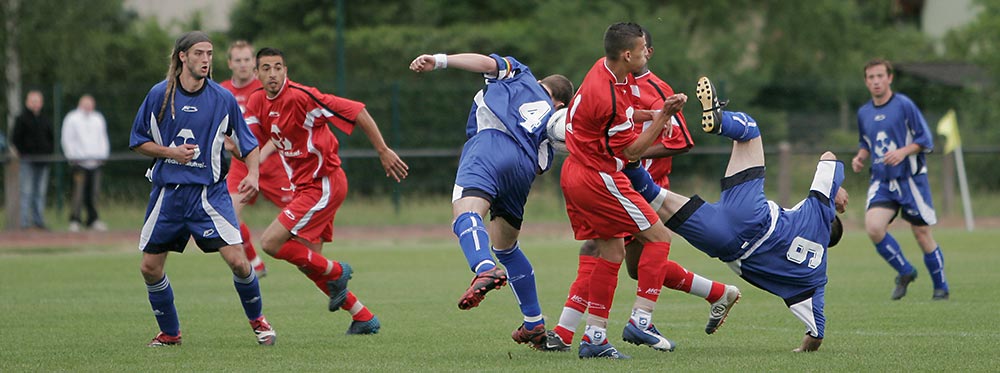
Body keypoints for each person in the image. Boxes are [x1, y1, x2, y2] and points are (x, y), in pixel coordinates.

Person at [623, 76, 848, 352]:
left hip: (751, 215)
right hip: (725, 244)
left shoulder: (819, 211)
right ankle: (623, 159)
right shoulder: (816, 279)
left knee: (750, 130)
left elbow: (828, 157)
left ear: (830, 221)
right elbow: (816, 334)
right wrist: (803, 350)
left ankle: (720, 121)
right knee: (651, 193)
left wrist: (836, 191)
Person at [548, 28, 739, 353]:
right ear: (627, 54)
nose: (646, 52)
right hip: (602, 177)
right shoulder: (607, 93)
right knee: (658, 239)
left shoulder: (605, 72)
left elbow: (621, 118)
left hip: (578, 173)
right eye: (642, 48)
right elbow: (632, 152)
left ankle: (592, 337)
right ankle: (641, 320)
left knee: (611, 253)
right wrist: (663, 114)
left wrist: (651, 114)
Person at [408, 52, 575, 349]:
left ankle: (484, 267)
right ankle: (534, 324)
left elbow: (487, 64)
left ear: (541, 83)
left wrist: (440, 60)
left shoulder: (520, 74)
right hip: (522, 168)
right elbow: (546, 161)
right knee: (507, 247)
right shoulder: (553, 124)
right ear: (561, 104)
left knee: (466, 211)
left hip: (490, 143)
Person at [128, 31, 275, 347]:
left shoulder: (221, 98)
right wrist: (171, 152)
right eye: (199, 53)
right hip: (168, 195)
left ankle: (260, 323)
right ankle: (170, 334)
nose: (206, 59)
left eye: (209, 53)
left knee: (239, 261)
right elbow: (138, 141)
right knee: (149, 268)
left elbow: (248, 144)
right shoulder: (159, 95)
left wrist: (253, 174)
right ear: (182, 57)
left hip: (209, 195)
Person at [247, 47, 408, 335]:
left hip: (324, 183)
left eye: (278, 67)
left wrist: (383, 150)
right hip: (305, 187)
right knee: (310, 263)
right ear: (257, 74)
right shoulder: (257, 101)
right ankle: (363, 317)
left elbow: (357, 111)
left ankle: (337, 271)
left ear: (286, 70)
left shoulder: (301, 96)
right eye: (266, 68)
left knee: (271, 243)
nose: (273, 73)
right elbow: (256, 143)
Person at [851, 59, 949, 301]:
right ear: (866, 81)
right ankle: (905, 271)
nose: (875, 81)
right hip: (882, 181)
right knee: (874, 228)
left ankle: (941, 288)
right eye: (871, 77)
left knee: (922, 234)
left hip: (910, 181)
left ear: (889, 78)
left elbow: (925, 140)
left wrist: (902, 152)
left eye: (880, 76)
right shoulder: (864, 112)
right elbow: (867, 142)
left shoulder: (904, 105)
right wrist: (861, 157)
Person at [220, 40, 291, 277]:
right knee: (229, 213)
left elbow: (279, 131)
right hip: (241, 165)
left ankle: (318, 264)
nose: (242, 64)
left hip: (272, 164)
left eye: (247, 60)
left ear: (254, 64)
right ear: (230, 63)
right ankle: (254, 262)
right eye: (237, 60)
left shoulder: (265, 89)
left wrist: (259, 157)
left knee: (302, 220)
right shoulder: (221, 92)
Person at [61, 94, 110, 232]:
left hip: (96, 162)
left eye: (91, 104)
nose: (88, 106)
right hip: (79, 163)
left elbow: (103, 138)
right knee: (78, 192)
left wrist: (103, 156)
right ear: (80, 103)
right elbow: (67, 139)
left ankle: (93, 219)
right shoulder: (72, 118)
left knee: (94, 193)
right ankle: (75, 220)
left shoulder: (98, 118)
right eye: (86, 104)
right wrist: (72, 157)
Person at [11, 90, 54, 230]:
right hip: (27, 161)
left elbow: (51, 138)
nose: (35, 104)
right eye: (33, 101)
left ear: (41, 103)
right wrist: (24, 153)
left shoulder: (45, 119)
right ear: (27, 102)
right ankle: (24, 223)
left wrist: (48, 152)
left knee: (40, 193)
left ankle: (38, 221)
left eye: (38, 101)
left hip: (43, 161)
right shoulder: (21, 119)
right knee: (26, 191)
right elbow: (15, 139)